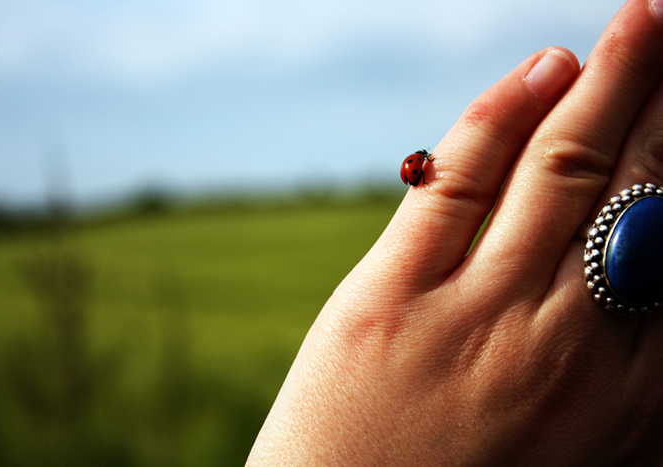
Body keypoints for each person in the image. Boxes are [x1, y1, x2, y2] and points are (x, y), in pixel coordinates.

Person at [247, 0, 663, 464]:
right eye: (420, 164)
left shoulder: (420, 169)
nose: (421, 165)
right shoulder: (424, 168)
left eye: (420, 164)